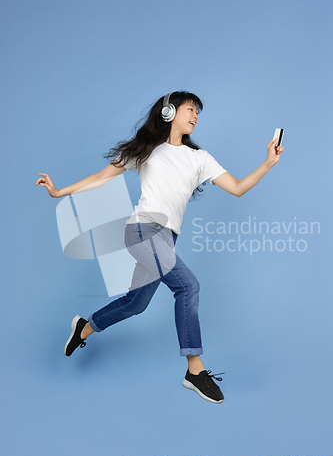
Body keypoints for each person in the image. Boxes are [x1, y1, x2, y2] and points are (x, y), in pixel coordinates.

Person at [35, 91, 284, 404]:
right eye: (190, 109)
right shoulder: (147, 149)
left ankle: (84, 328)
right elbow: (101, 177)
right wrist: (58, 193)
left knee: (136, 303)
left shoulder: (200, 159)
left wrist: (268, 164)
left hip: (167, 239)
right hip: (142, 230)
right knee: (188, 286)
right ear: (169, 111)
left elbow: (236, 188)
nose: (195, 116)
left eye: (198, 112)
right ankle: (195, 370)